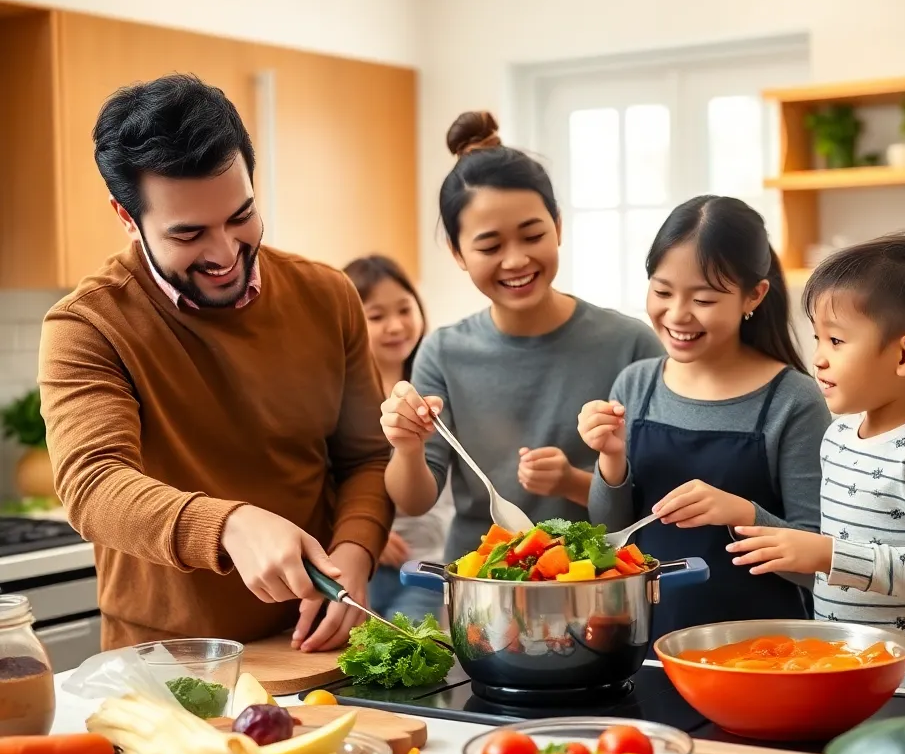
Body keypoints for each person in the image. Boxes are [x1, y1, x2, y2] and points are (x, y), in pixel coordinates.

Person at [38, 73, 393, 653]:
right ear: (127, 217)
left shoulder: (328, 296)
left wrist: (355, 552)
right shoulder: (88, 325)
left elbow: (365, 458)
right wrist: (229, 525)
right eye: (189, 233)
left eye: (240, 216)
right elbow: (93, 485)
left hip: (311, 641)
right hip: (166, 658)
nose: (225, 253)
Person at [379, 111, 663, 561]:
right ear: (457, 253)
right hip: (482, 587)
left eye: (532, 235)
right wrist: (407, 448)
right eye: (490, 247)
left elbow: (654, 501)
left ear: (559, 228)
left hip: (599, 583)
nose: (515, 261)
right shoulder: (444, 352)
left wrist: (572, 481)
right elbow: (415, 500)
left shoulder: (632, 344)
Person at [728, 232, 905, 696]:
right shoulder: (837, 436)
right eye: (818, 337)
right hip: (854, 676)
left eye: (836, 340)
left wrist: (831, 556)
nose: (818, 358)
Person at [579, 195, 831, 642]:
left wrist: (741, 512)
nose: (677, 314)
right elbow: (610, 535)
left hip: (762, 653)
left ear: (754, 295)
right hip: (647, 644)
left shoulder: (792, 400)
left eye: (704, 298)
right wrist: (611, 458)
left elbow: (820, 565)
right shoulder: (636, 385)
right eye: (661, 291)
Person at [344, 255, 453, 621]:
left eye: (405, 309)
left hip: (428, 565)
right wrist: (365, 533)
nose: (395, 326)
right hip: (365, 567)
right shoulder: (341, 400)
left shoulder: (435, 389)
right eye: (376, 317)